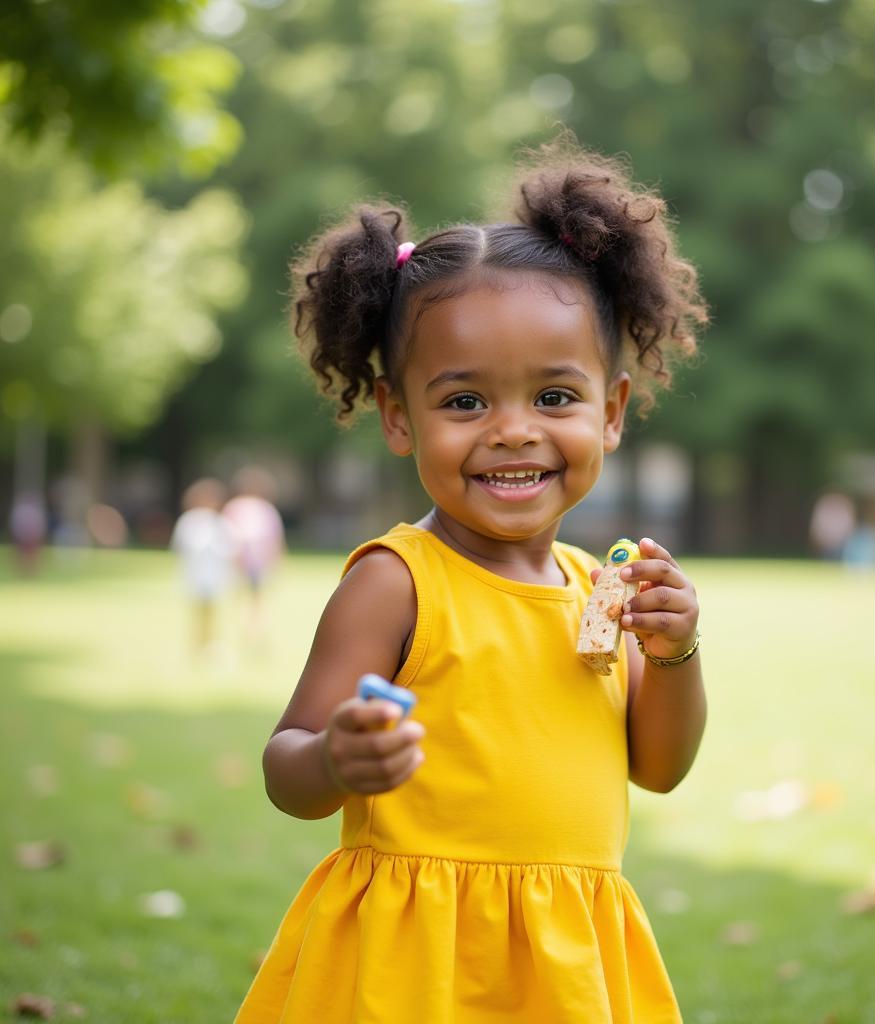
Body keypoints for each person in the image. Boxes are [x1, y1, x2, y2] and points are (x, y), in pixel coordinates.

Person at [236, 135, 709, 1024]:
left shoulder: (601, 590)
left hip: (563, 959)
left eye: (554, 398)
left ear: (610, 413)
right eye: (464, 402)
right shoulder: (396, 581)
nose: (513, 431)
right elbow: (284, 767)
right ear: (397, 417)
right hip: (412, 961)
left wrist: (678, 653)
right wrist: (337, 757)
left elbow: (660, 767)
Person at [170, 478, 237, 657]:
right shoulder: (189, 521)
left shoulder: (219, 522)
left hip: (215, 576)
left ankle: (211, 645)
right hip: (196, 576)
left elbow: (230, 550)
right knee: (197, 613)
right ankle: (196, 645)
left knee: (213, 614)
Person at [222, 465, 286, 637]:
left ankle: (252, 629)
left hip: (257, 562)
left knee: (254, 598)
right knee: (244, 597)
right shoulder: (237, 507)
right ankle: (244, 629)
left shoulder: (262, 509)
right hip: (241, 560)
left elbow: (274, 537)